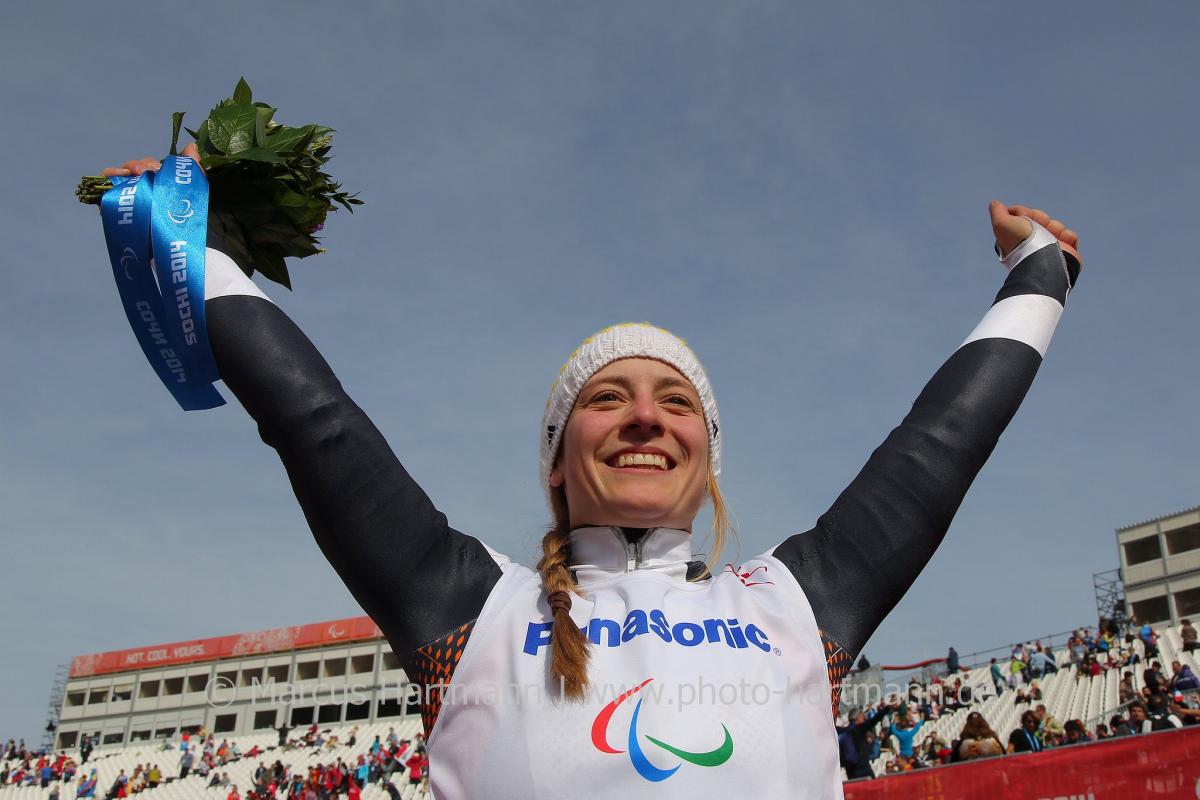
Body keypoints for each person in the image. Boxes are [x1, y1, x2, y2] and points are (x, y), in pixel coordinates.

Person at [99, 148, 1083, 797]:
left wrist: (1039, 271)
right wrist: (199, 248)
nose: (648, 415)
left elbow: (944, 442)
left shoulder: (795, 605)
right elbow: (314, 422)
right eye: (608, 398)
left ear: (706, 457)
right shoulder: (470, 607)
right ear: (558, 461)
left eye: (677, 398)